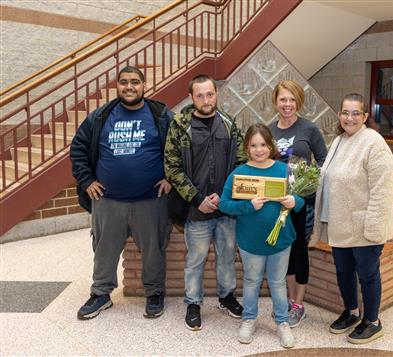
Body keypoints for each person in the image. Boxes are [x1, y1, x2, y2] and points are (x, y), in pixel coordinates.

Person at [70, 66, 173, 320]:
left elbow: (181, 147)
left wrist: (171, 177)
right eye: (124, 82)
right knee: (103, 249)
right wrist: (87, 180)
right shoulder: (101, 116)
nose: (129, 87)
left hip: (151, 200)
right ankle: (101, 294)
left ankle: (154, 293)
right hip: (107, 201)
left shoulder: (160, 114)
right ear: (117, 85)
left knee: (153, 249)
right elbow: (78, 148)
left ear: (144, 85)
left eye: (135, 82)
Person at [164, 74, 246, 331]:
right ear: (191, 97)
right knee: (196, 259)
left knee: (226, 256)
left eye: (210, 94)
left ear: (216, 94)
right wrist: (197, 199)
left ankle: (227, 297)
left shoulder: (229, 124)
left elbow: (241, 163)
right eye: (199, 95)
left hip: (226, 208)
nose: (206, 99)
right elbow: (172, 167)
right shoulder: (179, 125)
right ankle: (193, 303)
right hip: (196, 209)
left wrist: (225, 196)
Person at [311, 93, 393, 344]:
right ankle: (351, 312)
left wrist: (374, 227)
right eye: (345, 112)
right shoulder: (339, 140)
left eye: (355, 113)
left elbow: (381, 190)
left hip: (364, 225)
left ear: (366, 116)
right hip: (340, 223)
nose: (350, 118)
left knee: (368, 274)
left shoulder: (374, 143)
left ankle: (372, 321)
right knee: (344, 271)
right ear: (339, 115)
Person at [219, 123, 304, 349]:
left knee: (277, 283)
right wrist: (248, 207)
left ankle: (282, 322)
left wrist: (294, 201)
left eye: (264, 145)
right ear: (247, 147)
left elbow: (302, 198)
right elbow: (225, 204)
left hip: (281, 240)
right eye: (254, 145)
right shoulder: (239, 174)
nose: (259, 150)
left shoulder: (284, 170)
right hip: (250, 241)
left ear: (271, 146)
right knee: (251, 281)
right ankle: (249, 319)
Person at [268, 80, 327, 327]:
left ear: (298, 102)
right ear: (276, 102)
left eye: (292, 99)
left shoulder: (309, 129)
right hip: (276, 203)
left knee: (300, 252)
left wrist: (309, 180)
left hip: (302, 203)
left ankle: (299, 304)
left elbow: (324, 162)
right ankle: (288, 301)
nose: (287, 104)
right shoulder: (269, 130)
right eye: (283, 99)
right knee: (284, 253)